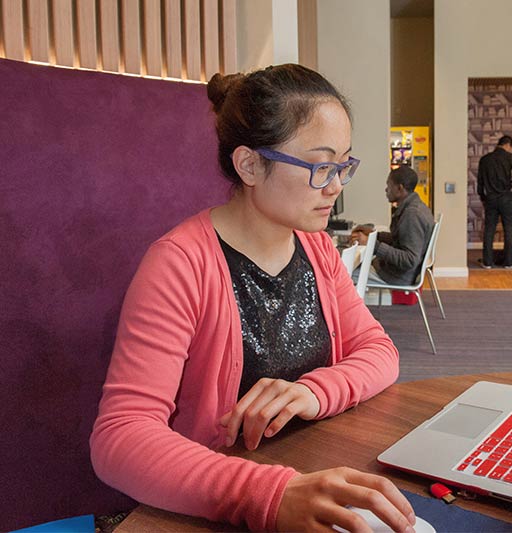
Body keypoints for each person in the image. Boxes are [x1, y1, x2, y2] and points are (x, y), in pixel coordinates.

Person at [90, 65, 416, 532]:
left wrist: (311, 391)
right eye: (320, 166)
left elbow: (380, 352)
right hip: (210, 504)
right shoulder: (180, 263)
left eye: (343, 164)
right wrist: (268, 493)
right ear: (248, 164)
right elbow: (120, 437)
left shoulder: (316, 248)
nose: (336, 186)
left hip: (306, 478)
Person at [350, 165, 434, 285]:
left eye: (388, 185)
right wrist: (374, 235)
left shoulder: (412, 215)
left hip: (398, 277)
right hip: (398, 273)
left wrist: (372, 244)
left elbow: (409, 260)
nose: (386, 190)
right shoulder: (415, 207)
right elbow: (401, 239)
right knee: (356, 267)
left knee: (345, 274)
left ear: (400, 189)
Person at [477, 135, 512, 268]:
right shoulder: (510, 157)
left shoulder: (485, 159)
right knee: (509, 228)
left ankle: (487, 262)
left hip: (490, 197)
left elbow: (480, 181)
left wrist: (482, 197)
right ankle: (509, 262)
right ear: (508, 145)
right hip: (506, 197)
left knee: (489, 228)